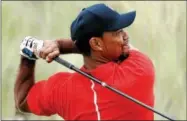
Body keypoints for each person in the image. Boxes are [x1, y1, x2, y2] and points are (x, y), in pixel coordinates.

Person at [14, 3, 155, 120]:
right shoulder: (140, 69)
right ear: (97, 44)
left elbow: (22, 100)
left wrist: (28, 56)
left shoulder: (61, 91)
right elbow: (128, 48)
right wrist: (60, 45)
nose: (125, 36)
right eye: (118, 32)